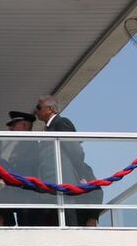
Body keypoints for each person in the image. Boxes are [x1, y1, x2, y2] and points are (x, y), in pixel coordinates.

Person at [34, 96, 102, 227]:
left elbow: (75, 150)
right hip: (51, 188)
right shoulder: (47, 129)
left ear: (50, 109)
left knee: (68, 223)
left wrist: (80, 174)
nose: (36, 111)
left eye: (38, 107)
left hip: (63, 184)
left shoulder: (61, 123)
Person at [1, 111, 54, 227]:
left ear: (24, 126)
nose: (10, 129)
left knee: (31, 230)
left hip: (30, 199)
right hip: (22, 198)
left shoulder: (31, 145)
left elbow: (27, 169)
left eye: (14, 125)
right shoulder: (20, 146)